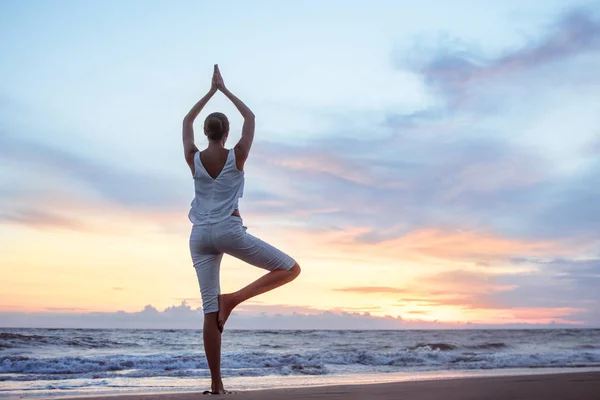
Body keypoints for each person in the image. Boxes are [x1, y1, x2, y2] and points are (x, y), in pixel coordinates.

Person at [183, 65, 301, 395]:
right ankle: (234, 299)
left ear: (206, 132)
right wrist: (225, 90)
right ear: (226, 133)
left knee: (209, 310)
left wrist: (208, 93)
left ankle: (217, 385)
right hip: (227, 231)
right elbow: (250, 118)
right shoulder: (238, 155)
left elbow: (184, 124)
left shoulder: (193, 158)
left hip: (198, 237)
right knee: (290, 268)